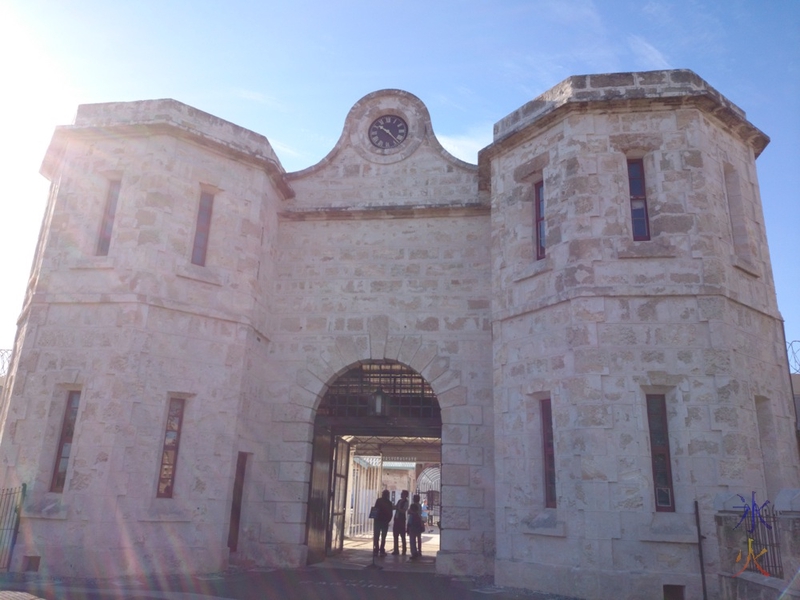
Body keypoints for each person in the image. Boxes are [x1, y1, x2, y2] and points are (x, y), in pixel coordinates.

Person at [372, 490, 393, 556]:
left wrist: (375, 518)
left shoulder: (378, 500)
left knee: (376, 536)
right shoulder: (389, 502)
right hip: (384, 521)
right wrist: (388, 520)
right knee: (383, 537)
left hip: (378, 520)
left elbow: (375, 509)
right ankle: (381, 549)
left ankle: (376, 549)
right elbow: (390, 513)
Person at [391, 490, 410, 555]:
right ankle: (396, 550)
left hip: (401, 520)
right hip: (396, 519)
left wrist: (397, 508)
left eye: (402, 494)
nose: (401, 495)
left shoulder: (406, 502)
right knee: (395, 535)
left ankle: (404, 550)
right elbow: (396, 507)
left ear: (405, 495)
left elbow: (403, 510)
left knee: (402, 535)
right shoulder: (399, 501)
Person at [407, 493, 425, 559]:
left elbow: (409, 512)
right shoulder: (420, 506)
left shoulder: (413, 505)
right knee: (418, 538)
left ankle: (414, 552)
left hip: (413, 523)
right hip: (418, 523)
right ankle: (419, 551)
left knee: (412, 539)